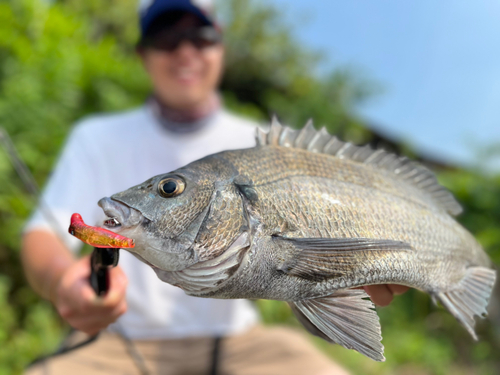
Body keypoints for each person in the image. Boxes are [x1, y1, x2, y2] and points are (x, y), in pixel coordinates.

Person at [21, 1, 408, 374]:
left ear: (219, 46)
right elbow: (42, 232)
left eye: (200, 36)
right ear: (143, 53)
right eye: (167, 39)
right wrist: (61, 280)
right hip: (119, 342)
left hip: (239, 341)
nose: (185, 52)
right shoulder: (96, 138)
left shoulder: (263, 143)